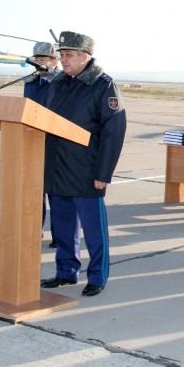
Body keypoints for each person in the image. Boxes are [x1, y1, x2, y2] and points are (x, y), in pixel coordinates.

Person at [40, 31, 127, 297]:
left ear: (84, 56)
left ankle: (97, 277)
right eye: (61, 55)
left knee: (93, 230)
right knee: (63, 226)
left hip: (87, 170)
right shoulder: (57, 83)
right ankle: (66, 271)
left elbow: (113, 132)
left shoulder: (103, 85)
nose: (63, 60)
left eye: (68, 55)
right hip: (57, 168)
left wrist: (104, 173)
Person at [24, 42, 60, 248]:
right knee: (35, 191)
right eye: (37, 59)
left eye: (43, 59)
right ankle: (34, 230)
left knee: (55, 192)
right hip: (32, 141)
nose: (39, 62)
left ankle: (60, 235)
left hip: (54, 141)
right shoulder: (30, 82)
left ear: (54, 61)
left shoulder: (61, 82)